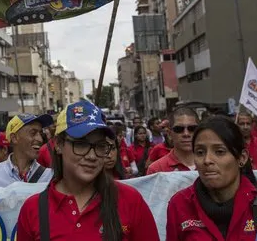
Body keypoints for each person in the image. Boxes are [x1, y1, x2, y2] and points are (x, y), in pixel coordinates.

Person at [17, 100, 159, 241]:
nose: (92, 156)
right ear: (59, 144)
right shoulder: (33, 209)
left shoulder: (130, 200)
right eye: (81, 144)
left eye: (100, 146)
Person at [166, 117, 257, 240]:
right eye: (200, 152)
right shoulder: (180, 205)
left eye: (220, 152)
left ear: (242, 158)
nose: (207, 160)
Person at [0, 113, 53, 192]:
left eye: (41, 133)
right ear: (14, 138)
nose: (40, 139)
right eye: (33, 133)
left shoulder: (50, 177)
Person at [147, 108, 198, 174]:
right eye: (179, 129)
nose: (186, 134)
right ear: (170, 133)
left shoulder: (211, 164)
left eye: (192, 128)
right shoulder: (156, 169)